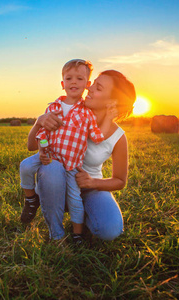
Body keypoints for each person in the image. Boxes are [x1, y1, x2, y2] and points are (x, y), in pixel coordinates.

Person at [25, 70, 136, 242]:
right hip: (57, 184)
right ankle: (56, 233)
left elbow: (120, 181)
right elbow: (31, 146)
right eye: (93, 84)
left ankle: (84, 216)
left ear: (112, 102)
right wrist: (39, 121)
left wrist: (93, 182)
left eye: (98, 88)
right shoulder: (68, 112)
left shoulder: (118, 137)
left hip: (91, 189)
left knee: (109, 231)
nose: (89, 88)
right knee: (53, 167)